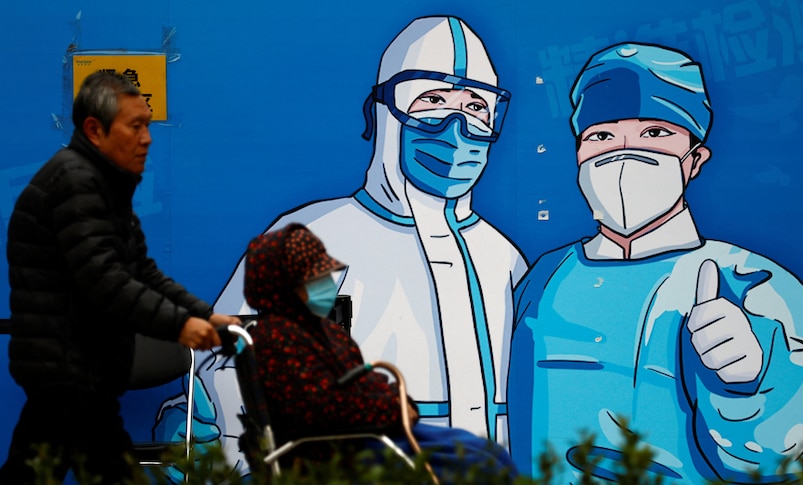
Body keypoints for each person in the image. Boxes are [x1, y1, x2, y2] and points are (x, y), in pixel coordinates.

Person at [165, 16, 526, 472]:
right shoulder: (316, 238)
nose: (456, 127)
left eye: (476, 107)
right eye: (431, 101)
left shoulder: (502, 257)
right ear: (383, 114)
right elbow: (230, 370)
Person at [507, 43, 803, 484]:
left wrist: (756, 379)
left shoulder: (749, 281)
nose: (623, 153)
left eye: (654, 134)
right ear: (578, 156)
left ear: (695, 161)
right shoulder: (544, 278)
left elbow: (798, 449)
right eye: (602, 136)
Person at [1, 71, 240, 484]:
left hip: (78, 371)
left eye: (147, 124)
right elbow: (105, 282)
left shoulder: (103, 187)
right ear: (94, 130)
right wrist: (181, 324)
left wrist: (203, 313)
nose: (147, 137)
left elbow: (143, 272)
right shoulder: (75, 186)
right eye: (135, 126)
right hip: (69, 369)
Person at [243, 223, 518, 483]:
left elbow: (363, 382)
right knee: (475, 465)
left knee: (487, 452)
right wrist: (392, 410)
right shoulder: (275, 339)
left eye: (325, 276)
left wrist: (401, 403)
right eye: (315, 280)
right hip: (337, 448)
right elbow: (320, 410)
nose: (326, 284)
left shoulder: (325, 330)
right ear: (283, 287)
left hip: (371, 432)